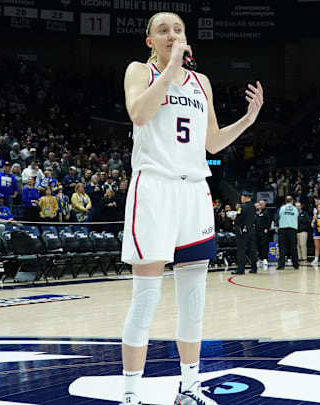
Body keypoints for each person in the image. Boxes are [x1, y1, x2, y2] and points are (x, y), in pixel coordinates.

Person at [119, 11, 264, 405]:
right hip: (154, 190)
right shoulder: (140, 71)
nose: (172, 35)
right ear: (150, 41)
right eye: (163, 31)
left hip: (194, 193)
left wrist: (247, 120)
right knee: (146, 297)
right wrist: (170, 69)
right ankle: (131, 394)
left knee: (194, 301)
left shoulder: (202, 83)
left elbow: (212, 142)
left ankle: (189, 389)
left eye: (178, 29)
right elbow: (140, 114)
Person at [233, 191, 258, 274]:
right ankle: (254, 268)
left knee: (241, 249)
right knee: (252, 249)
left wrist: (235, 221)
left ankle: (240, 269)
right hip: (252, 229)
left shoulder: (242, 207)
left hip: (243, 230)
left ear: (245, 197)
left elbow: (239, 219)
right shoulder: (253, 207)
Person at [276, 196, 299, 270]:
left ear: (285, 201)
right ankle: (295, 264)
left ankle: (281, 265)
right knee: (293, 247)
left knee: (282, 247)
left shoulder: (282, 208)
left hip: (283, 228)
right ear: (292, 201)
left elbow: (278, 217)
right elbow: (297, 217)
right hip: (292, 229)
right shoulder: (295, 209)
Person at [254, 200, 270, 268]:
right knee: (257, 246)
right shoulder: (254, 214)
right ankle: (259, 259)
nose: (257, 206)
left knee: (263, 245)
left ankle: (265, 259)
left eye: (258, 205)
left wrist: (267, 228)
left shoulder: (265, 213)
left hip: (263, 232)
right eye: (256, 206)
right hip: (255, 232)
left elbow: (268, 221)